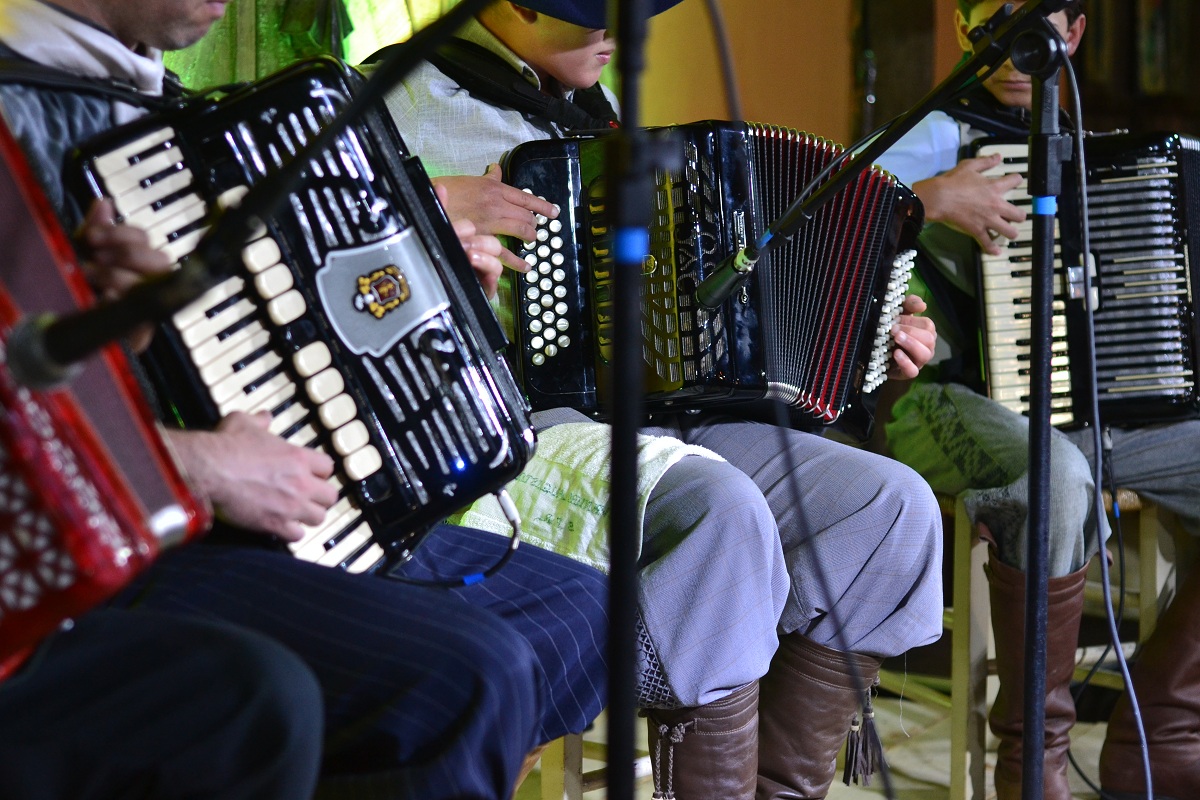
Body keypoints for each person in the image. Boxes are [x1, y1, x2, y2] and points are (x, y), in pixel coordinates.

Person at [0, 1, 610, 798]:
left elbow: (280, 315)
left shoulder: (159, 106)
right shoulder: (20, 109)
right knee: (467, 670)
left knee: (575, 605)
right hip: (137, 542)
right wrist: (197, 463)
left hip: (261, 497)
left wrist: (429, 275)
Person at [375, 2, 947, 797]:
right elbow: (314, 270)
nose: (619, 30)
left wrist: (861, 338)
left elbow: (700, 318)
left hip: (667, 418)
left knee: (889, 507)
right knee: (721, 509)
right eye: (595, 10)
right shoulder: (385, 104)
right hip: (507, 419)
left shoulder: (609, 121)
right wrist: (426, 211)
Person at [874, 2, 1200, 798]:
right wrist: (927, 199)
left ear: (1076, 33)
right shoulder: (931, 133)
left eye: (1040, 22)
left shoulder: (1094, 145)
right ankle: (1032, 767)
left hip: (1094, 417)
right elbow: (812, 227)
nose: (1018, 49)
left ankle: (1163, 729)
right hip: (943, 404)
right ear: (962, 25)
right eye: (997, 18)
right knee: (1052, 476)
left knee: (1072, 460)